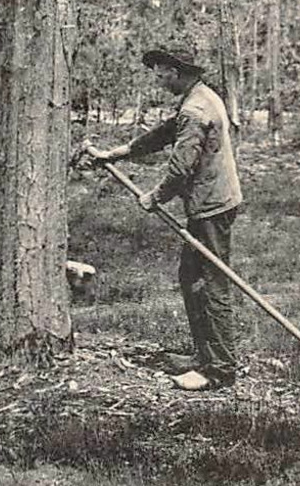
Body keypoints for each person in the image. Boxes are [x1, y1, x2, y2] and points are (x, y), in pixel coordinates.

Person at [89, 42, 242, 392]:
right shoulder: (199, 97)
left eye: (159, 71)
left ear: (175, 71)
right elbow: (165, 133)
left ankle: (220, 370)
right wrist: (121, 152)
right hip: (212, 202)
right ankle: (205, 356)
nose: (157, 78)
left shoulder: (195, 109)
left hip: (212, 207)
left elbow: (181, 168)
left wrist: (154, 196)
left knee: (211, 286)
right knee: (191, 279)